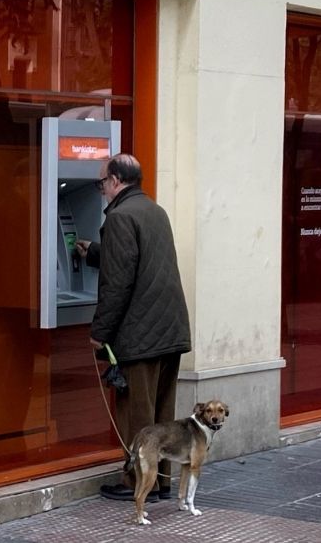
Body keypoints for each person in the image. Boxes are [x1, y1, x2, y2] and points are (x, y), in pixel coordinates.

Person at [75, 153, 191, 502]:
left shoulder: (120, 216)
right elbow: (141, 261)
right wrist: (95, 252)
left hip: (140, 334)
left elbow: (118, 282)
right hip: (170, 328)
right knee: (162, 412)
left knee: (137, 413)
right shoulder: (155, 211)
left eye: (101, 183)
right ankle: (161, 482)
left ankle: (137, 483)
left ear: (114, 180)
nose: (100, 190)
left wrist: (100, 332)